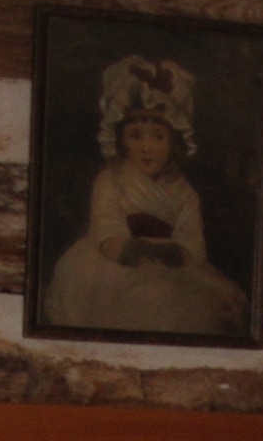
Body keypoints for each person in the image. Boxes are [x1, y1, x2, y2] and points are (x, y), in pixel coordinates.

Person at [43, 55, 249, 339]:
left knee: (191, 304)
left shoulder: (185, 192)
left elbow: (192, 241)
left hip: (172, 269)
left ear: (174, 143)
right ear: (121, 142)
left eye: (158, 137)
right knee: (141, 299)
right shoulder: (111, 179)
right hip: (114, 263)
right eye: (135, 136)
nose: (147, 147)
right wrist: (134, 251)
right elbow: (105, 226)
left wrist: (175, 254)